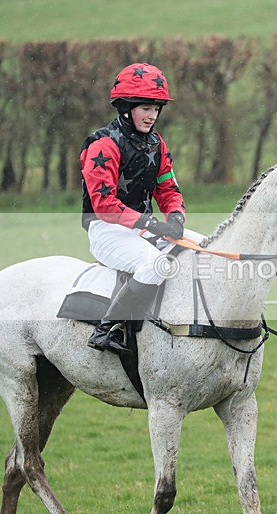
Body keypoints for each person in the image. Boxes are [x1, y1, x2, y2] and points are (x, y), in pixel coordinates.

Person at [80, 62, 186, 357]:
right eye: (145, 108)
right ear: (126, 108)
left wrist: (176, 217)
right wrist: (151, 224)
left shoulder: (157, 144)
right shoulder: (103, 145)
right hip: (107, 229)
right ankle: (106, 329)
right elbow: (104, 205)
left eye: (157, 108)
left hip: (142, 228)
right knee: (154, 265)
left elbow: (168, 188)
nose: (152, 115)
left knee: (202, 247)